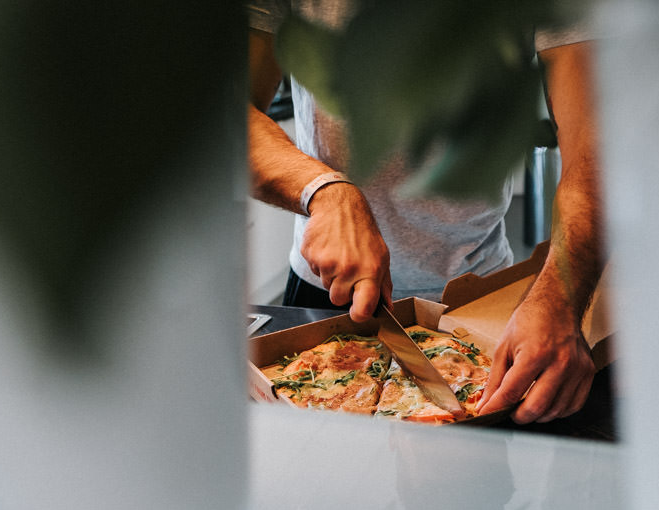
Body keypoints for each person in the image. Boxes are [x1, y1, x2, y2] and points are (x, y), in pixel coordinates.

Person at [247, 2, 605, 424]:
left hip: (483, 302)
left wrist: (562, 297)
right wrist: (325, 191)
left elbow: (595, 147)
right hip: (326, 296)